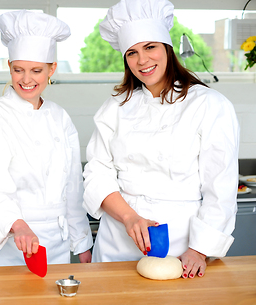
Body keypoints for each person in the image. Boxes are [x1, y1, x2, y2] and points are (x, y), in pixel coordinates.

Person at [83, 0, 239, 278]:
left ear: (167, 48)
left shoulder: (209, 104)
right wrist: (130, 217)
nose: (142, 60)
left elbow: (221, 185)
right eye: (132, 52)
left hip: (181, 247)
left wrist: (200, 249)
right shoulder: (115, 107)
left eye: (150, 47)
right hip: (117, 240)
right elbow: (97, 173)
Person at [0, 10, 93, 267]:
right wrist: (18, 226)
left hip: (58, 244)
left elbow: (72, 187)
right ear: (9, 67)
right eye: (19, 70)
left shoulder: (60, 117)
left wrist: (82, 242)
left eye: (36, 70)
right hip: (12, 241)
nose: (26, 79)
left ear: (52, 69)